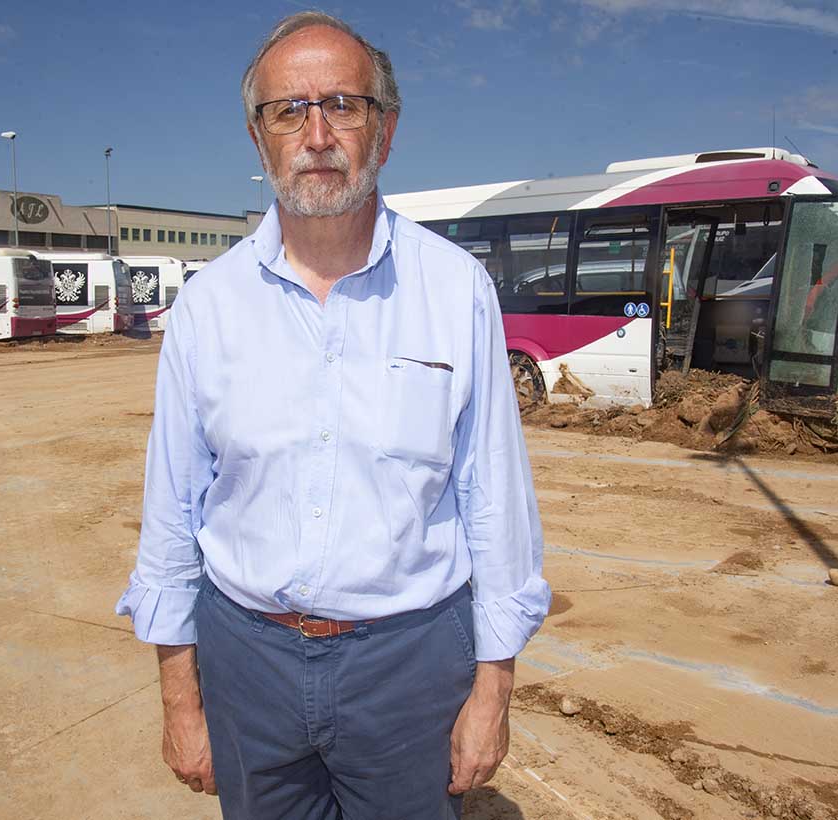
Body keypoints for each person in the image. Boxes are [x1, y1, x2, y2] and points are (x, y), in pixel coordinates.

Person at [115, 11, 550, 819]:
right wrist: (181, 699)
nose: (316, 133)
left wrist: (492, 690)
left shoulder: (454, 291)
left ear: (383, 132)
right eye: (289, 110)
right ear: (259, 138)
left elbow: (493, 500)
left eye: (343, 106)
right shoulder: (209, 305)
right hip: (245, 661)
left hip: (410, 667)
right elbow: (172, 511)